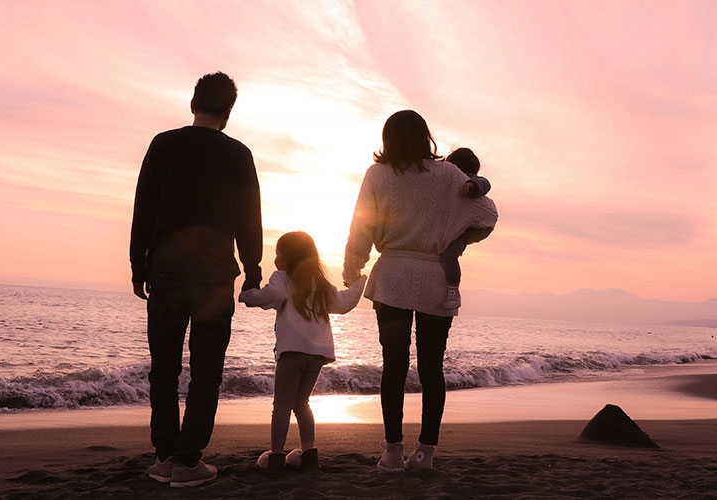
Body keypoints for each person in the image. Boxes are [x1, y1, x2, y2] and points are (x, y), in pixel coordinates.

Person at [343, 110, 497, 472]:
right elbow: (488, 215)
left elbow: (360, 228)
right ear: (425, 136)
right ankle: (426, 453)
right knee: (432, 368)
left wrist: (353, 270)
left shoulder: (377, 174)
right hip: (434, 280)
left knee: (393, 367)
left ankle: (393, 453)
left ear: (388, 139)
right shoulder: (448, 174)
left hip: (393, 277)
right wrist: (458, 238)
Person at [130, 71, 263, 488]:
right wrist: (253, 271)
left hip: (166, 272)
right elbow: (249, 220)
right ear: (228, 112)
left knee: (164, 370)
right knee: (207, 371)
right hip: (213, 276)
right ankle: (189, 460)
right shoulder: (238, 154)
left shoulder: (163, 144)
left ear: (193, 103)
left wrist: (138, 266)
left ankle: (166, 456)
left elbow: (143, 209)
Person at [239, 231, 366, 474]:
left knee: (283, 405)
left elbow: (273, 295)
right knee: (302, 403)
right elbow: (343, 302)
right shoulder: (319, 283)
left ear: (287, 257)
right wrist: (359, 282)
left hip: (292, 353)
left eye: (278, 253)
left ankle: (276, 456)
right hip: (317, 355)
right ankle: (309, 454)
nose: (275, 259)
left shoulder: (283, 278)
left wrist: (248, 296)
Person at [440, 147, 494, 309]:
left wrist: (472, 185)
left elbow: (485, 183)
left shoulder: (470, 179)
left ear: (456, 165)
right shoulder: (446, 179)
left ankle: (453, 287)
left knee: (449, 254)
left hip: (462, 232)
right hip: (450, 227)